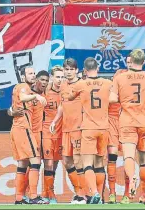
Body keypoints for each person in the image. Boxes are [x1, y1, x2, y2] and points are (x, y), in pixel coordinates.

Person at [109, 49, 145, 203]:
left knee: (128, 156)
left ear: (130, 61)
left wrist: (121, 97)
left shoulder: (120, 77)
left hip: (127, 121)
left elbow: (112, 99)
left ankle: (132, 178)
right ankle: (143, 193)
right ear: (144, 62)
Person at [65, 57, 112, 204]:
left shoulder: (81, 84)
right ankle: (101, 197)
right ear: (97, 68)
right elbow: (115, 97)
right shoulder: (107, 83)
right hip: (104, 128)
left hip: (88, 128)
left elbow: (70, 97)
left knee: (87, 164)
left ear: (84, 71)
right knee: (99, 164)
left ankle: (94, 193)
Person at [50, 58, 86, 204]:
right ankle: (78, 192)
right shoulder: (63, 85)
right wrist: (54, 121)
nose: (69, 71)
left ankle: (84, 194)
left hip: (78, 128)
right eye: (67, 69)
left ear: (77, 70)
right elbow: (62, 105)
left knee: (79, 162)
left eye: (72, 69)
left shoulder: (82, 84)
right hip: (66, 128)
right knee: (67, 161)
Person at [10, 67, 47, 204]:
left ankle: (19, 198)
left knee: (22, 163)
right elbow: (23, 97)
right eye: (29, 73)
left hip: (18, 128)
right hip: (23, 128)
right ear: (22, 76)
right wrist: (36, 96)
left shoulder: (20, 88)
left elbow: (13, 106)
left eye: (33, 73)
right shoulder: (23, 87)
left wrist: (11, 111)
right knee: (35, 161)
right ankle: (33, 196)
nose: (33, 75)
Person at [108, 56, 132, 204]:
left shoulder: (140, 79)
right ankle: (112, 193)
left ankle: (127, 194)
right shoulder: (119, 74)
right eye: (127, 62)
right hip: (112, 120)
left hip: (128, 121)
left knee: (128, 158)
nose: (129, 64)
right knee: (112, 156)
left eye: (131, 62)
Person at [41, 66, 64, 204]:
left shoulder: (66, 91)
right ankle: (50, 194)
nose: (60, 80)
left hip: (61, 132)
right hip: (47, 130)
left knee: (55, 164)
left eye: (62, 77)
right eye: (57, 77)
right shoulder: (45, 92)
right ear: (52, 77)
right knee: (48, 163)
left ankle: (46, 192)